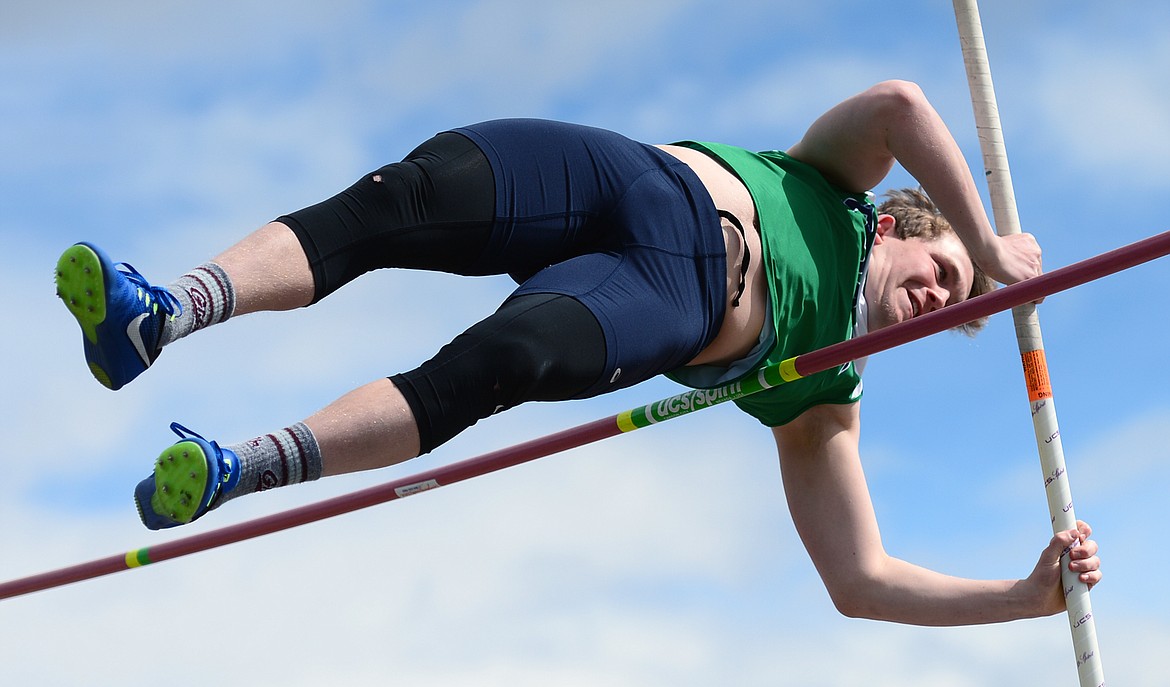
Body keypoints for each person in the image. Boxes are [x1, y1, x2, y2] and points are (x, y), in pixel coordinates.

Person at [56, 80, 1100, 625]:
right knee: (395, 202)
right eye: (946, 271)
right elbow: (901, 105)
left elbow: (861, 580)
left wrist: (1022, 598)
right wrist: (996, 249)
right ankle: (165, 311)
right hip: (629, 178)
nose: (939, 294)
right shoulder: (837, 182)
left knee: (494, 363)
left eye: (956, 303)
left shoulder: (824, 393)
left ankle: (243, 466)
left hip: (662, 295)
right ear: (910, 226)